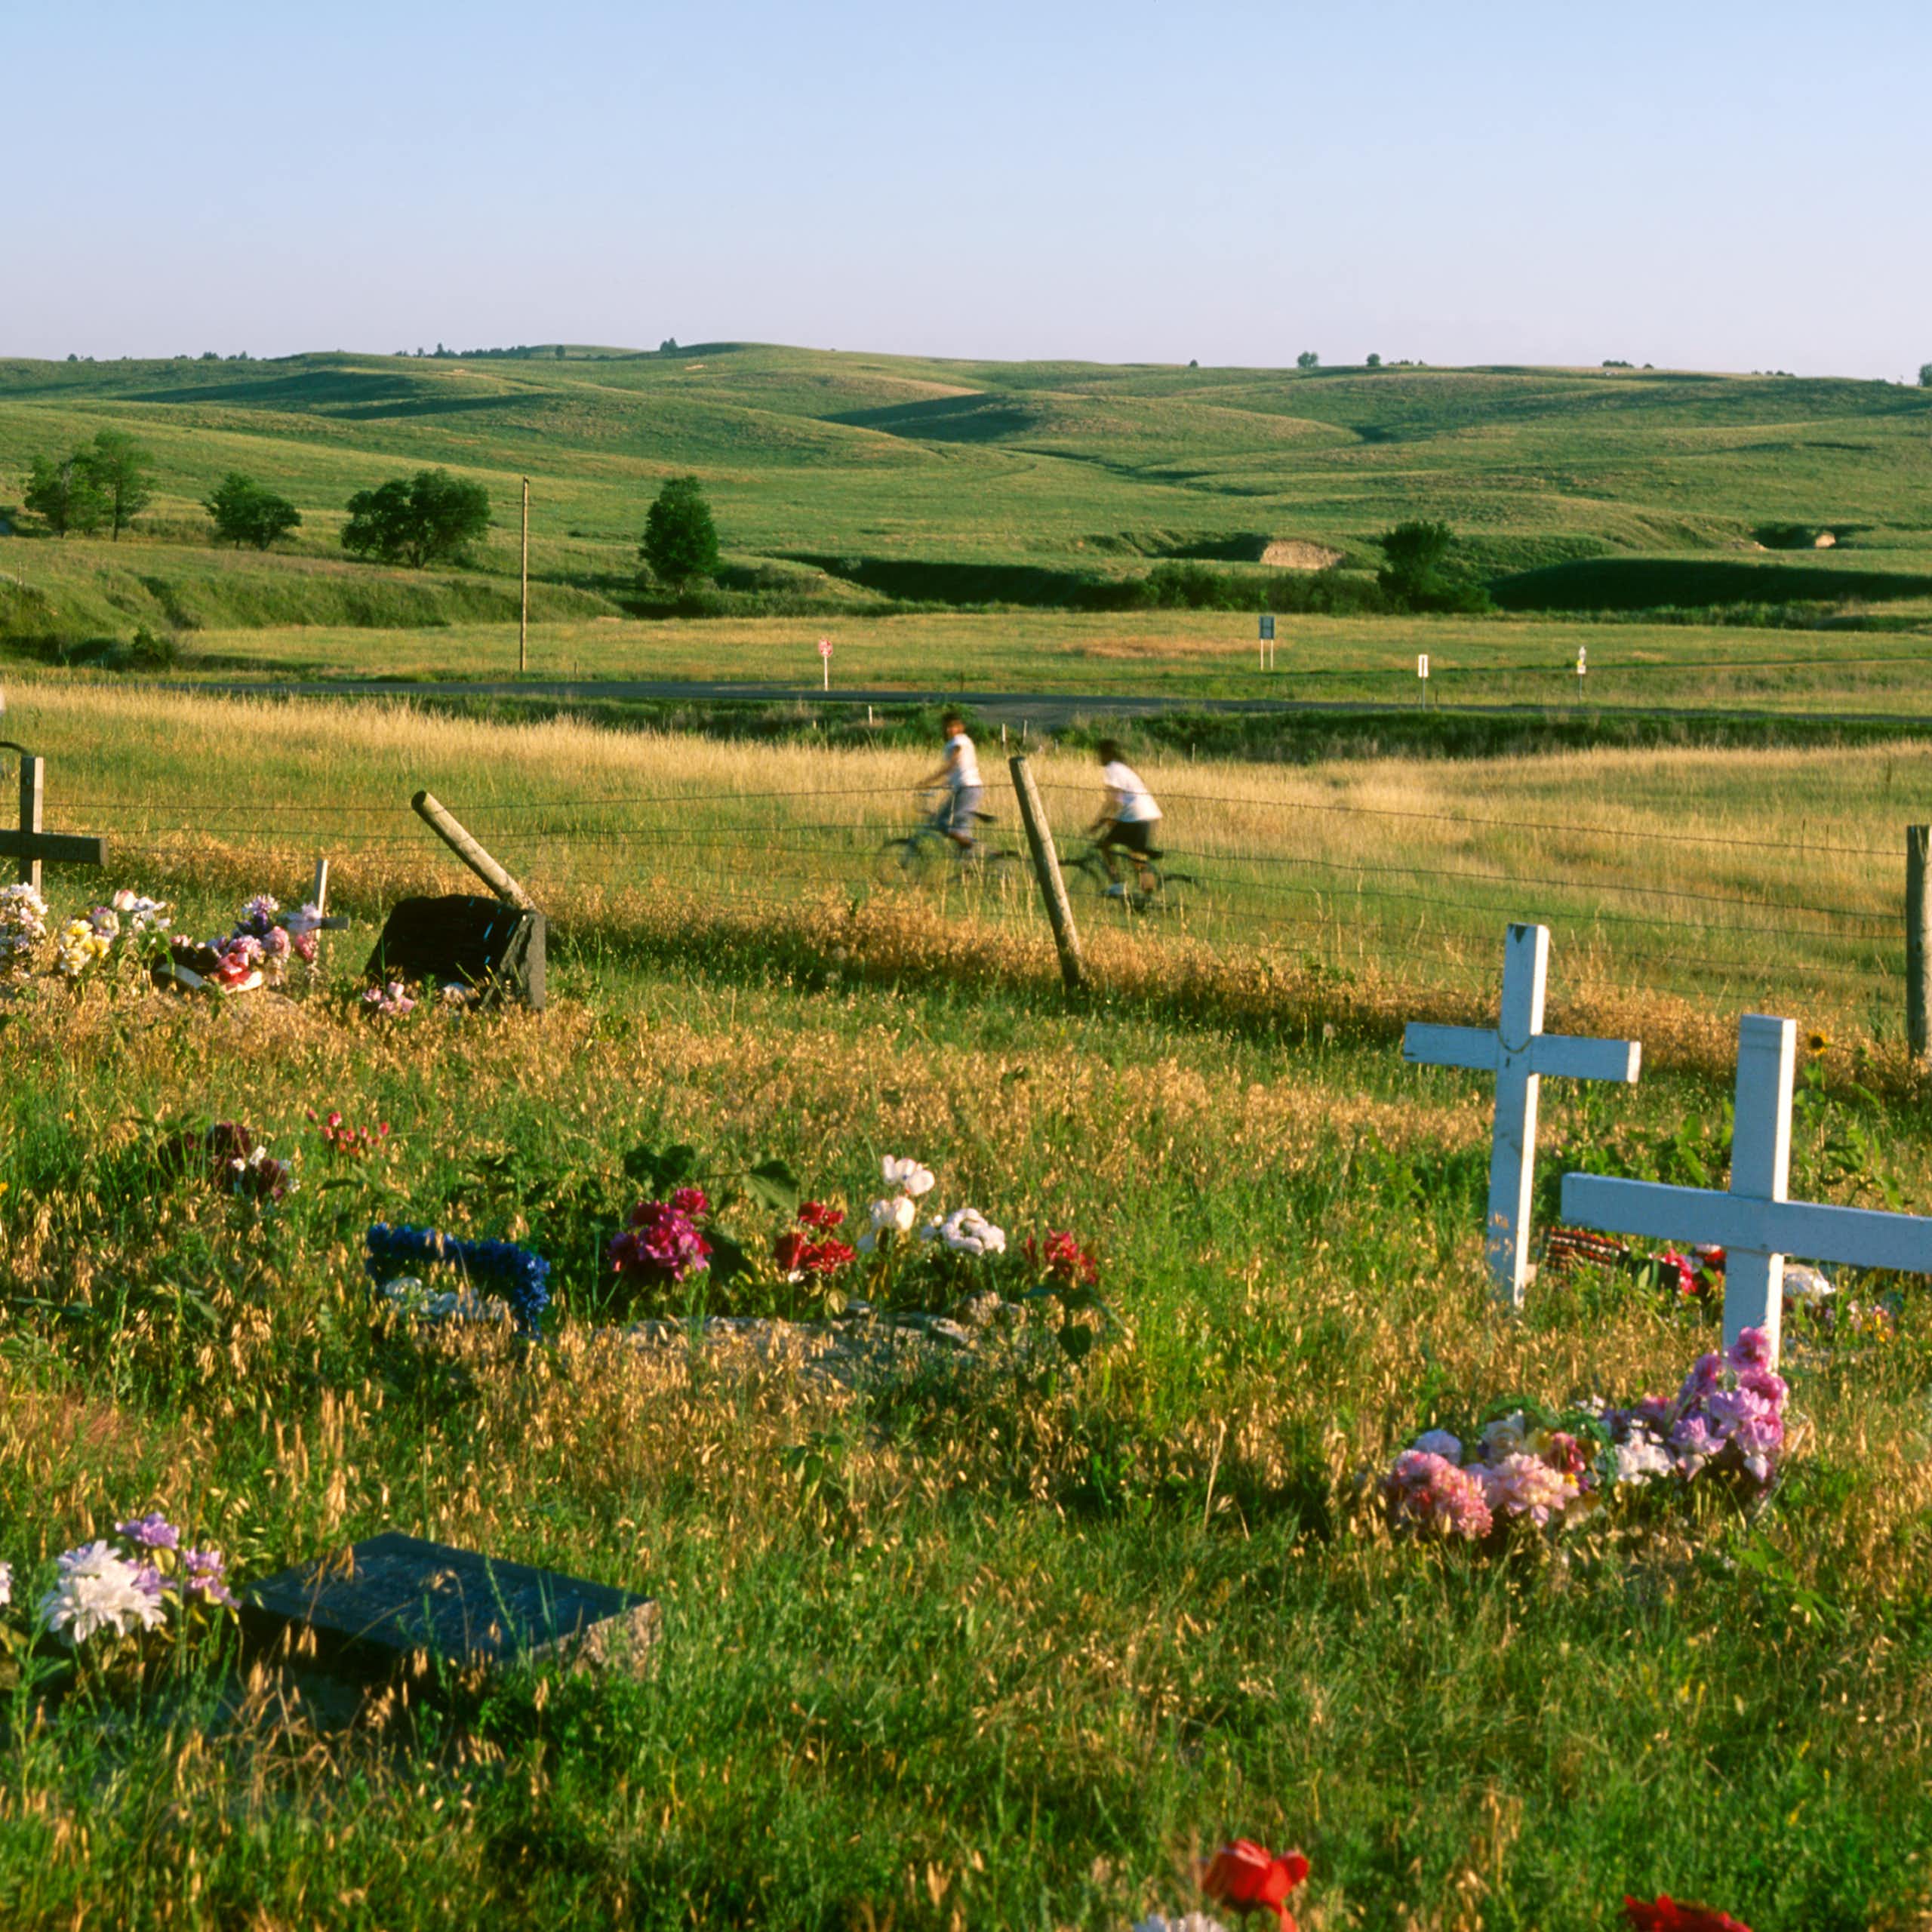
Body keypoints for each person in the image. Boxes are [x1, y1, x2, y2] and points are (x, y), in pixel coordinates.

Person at [1087, 739, 1162, 895]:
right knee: (1136, 856)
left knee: (1105, 845)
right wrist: (1112, 819)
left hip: (1135, 815)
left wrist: (1098, 822)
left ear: (1107, 754)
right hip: (1147, 814)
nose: (1098, 758)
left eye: (1100, 754)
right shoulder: (1123, 768)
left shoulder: (1112, 769)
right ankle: (1149, 896)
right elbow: (1123, 799)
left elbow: (1113, 800)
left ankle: (1118, 883)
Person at [919, 712, 983, 854]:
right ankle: (968, 862)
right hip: (965, 787)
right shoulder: (960, 741)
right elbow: (958, 770)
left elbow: (952, 764)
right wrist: (942, 784)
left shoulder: (958, 741)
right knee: (956, 827)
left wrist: (929, 780)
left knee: (948, 825)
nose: (949, 730)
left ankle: (978, 850)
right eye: (946, 727)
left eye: (952, 727)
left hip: (968, 788)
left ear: (960, 727)